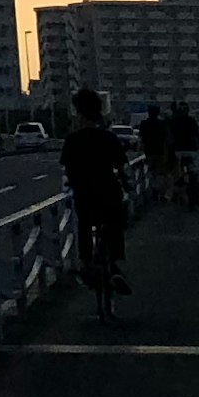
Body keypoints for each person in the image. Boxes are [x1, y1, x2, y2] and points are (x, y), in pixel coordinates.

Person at [59, 87, 131, 313]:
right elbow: (121, 166)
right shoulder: (108, 137)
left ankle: (86, 263)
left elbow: (67, 169)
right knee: (114, 223)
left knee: (84, 224)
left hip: (85, 194)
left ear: (79, 114)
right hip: (108, 192)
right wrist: (126, 182)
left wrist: (73, 181)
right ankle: (116, 265)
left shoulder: (72, 140)